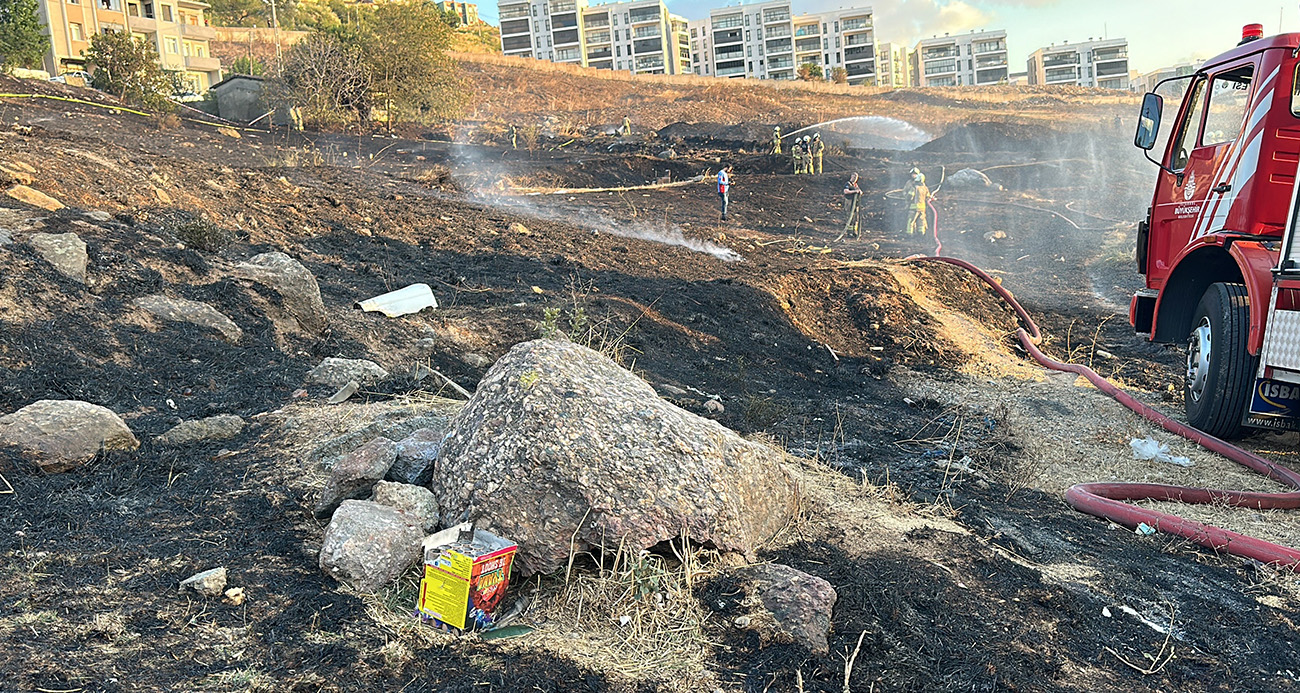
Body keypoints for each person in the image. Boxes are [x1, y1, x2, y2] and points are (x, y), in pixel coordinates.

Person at [905, 167, 931, 235]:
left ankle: (909, 234)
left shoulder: (914, 188)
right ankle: (921, 233)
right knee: (921, 221)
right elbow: (928, 197)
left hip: (914, 208)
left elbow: (910, 196)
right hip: (922, 208)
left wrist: (907, 200)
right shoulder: (925, 188)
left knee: (911, 221)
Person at [838, 172, 863, 240]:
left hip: (855, 203)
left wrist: (859, 192)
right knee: (850, 217)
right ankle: (849, 233)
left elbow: (859, 191)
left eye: (856, 178)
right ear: (851, 177)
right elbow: (846, 191)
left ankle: (854, 231)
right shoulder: (848, 184)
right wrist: (854, 192)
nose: (854, 179)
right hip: (849, 202)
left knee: (855, 217)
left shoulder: (855, 185)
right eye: (853, 177)